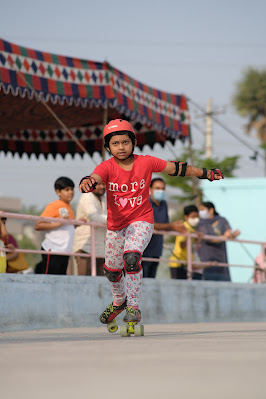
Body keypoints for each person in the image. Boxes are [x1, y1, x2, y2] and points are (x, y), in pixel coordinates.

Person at [79, 119, 223, 326]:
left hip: (142, 220)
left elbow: (177, 168)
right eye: (116, 143)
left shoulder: (145, 162)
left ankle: (134, 307)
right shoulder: (106, 166)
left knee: (131, 258)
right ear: (108, 147)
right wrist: (88, 181)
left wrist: (206, 173)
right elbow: (95, 176)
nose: (121, 147)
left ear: (134, 142)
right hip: (116, 225)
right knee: (111, 271)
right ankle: (119, 301)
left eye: (125, 142)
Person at [142, 177, 187, 278]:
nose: (160, 191)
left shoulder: (164, 204)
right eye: (157, 188)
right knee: (141, 283)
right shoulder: (144, 202)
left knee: (151, 281)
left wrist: (175, 226)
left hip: (157, 249)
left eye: (162, 189)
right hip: (143, 250)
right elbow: (149, 224)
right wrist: (173, 227)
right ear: (150, 189)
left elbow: (165, 224)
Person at [35, 177, 75, 275]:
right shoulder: (54, 206)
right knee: (49, 280)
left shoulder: (70, 208)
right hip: (53, 249)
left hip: (64, 251)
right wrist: (58, 223)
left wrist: (79, 222)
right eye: (67, 190)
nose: (71, 192)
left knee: (60, 281)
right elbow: (38, 225)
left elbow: (68, 228)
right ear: (58, 192)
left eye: (72, 189)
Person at [197, 201, 240, 281]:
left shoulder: (222, 220)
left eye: (203, 209)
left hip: (221, 259)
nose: (201, 212)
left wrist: (232, 234)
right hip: (206, 259)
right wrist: (224, 237)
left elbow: (228, 232)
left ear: (211, 210)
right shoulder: (200, 223)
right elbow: (209, 239)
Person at [73, 182, 107, 276]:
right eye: (99, 184)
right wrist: (115, 220)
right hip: (85, 246)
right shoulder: (86, 197)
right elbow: (94, 217)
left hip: (101, 248)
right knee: (84, 281)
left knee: (101, 282)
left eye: (104, 184)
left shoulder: (104, 199)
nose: (102, 187)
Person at [169, 204, 203, 280]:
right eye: (193, 217)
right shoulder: (184, 228)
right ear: (186, 217)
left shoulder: (192, 229)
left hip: (186, 263)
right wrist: (190, 236)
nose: (196, 219)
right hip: (178, 264)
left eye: (197, 217)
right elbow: (182, 245)